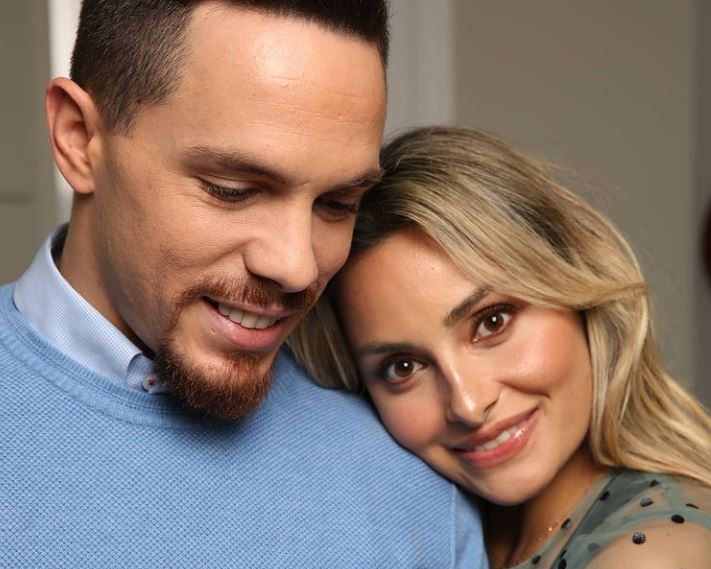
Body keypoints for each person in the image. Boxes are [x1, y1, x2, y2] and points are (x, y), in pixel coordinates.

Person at [0, 4, 486, 567]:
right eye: (233, 189)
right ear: (78, 137)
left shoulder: (416, 483)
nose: (296, 266)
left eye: (337, 204)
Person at [289, 126, 711, 568]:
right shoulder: (440, 537)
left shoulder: (652, 554)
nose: (468, 405)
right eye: (404, 367)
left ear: (575, 290)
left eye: (492, 323)